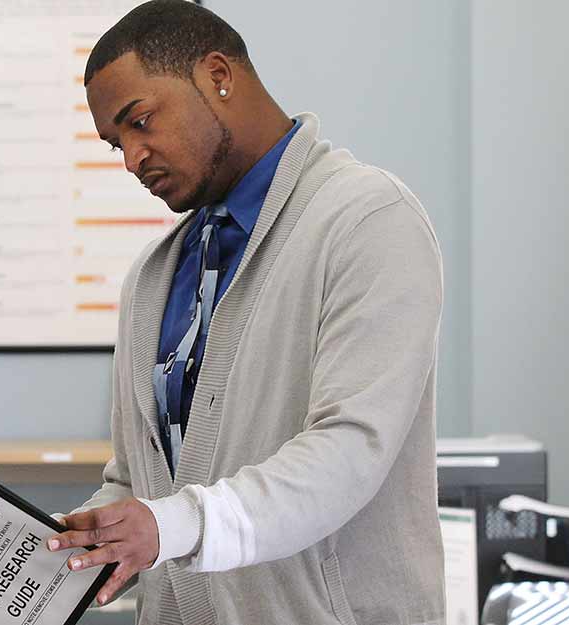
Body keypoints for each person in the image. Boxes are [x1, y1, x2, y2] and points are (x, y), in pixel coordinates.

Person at [45, 2, 445, 624]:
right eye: (116, 141)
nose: (131, 158)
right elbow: (139, 485)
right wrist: (48, 555)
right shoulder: (153, 276)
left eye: (141, 121)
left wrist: (171, 523)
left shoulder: (366, 220)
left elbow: (349, 450)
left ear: (217, 76)